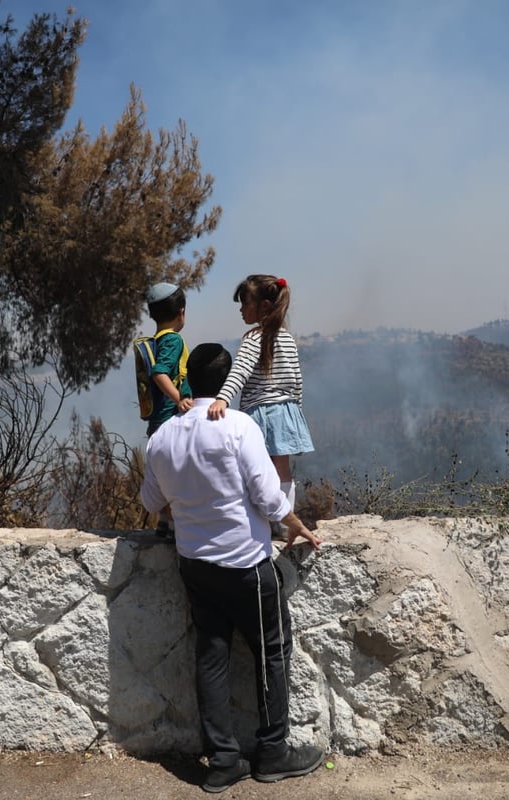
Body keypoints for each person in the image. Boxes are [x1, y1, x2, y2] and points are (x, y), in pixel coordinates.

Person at [141, 342, 325, 794]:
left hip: (195, 565)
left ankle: (223, 761)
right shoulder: (239, 426)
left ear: (187, 383)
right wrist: (296, 524)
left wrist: (184, 511)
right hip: (245, 563)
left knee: (211, 655)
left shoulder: (162, 437)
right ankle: (273, 753)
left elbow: (150, 502)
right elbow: (267, 495)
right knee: (271, 652)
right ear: (224, 383)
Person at [206, 275, 313, 528]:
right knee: (282, 470)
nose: (241, 310)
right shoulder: (288, 338)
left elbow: (239, 370)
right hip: (287, 410)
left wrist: (222, 398)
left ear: (263, 306)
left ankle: (261, 520)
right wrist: (296, 408)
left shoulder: (253, 338)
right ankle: (286, 524)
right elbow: (297, 379)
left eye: (245, 304)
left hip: (260, 413)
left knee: (256, 470)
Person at [143, 282, 193, 537]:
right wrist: (179, 399)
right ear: (181, 312)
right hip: (169, 420)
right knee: (175, 474)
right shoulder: (173, 340)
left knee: (163, 473)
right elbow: (160, 372)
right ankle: (174, 528)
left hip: (156, 420)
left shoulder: (157, 340)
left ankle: (163, 523)